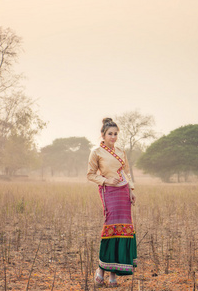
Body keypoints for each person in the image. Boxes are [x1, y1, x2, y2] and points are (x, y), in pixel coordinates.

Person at [87, 118, 137, 287]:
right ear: (103, 134)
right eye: (110, 134)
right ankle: (101, 268)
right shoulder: (97, 152)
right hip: (108, 191)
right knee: (111, 227)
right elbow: (91, 174)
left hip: (123, 192)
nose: (113, 137)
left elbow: (127, 173)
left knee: (123, 228)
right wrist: (106, 181)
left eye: (116, 134)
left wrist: (131, 190)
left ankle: (113, 275)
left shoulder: (122, 152)